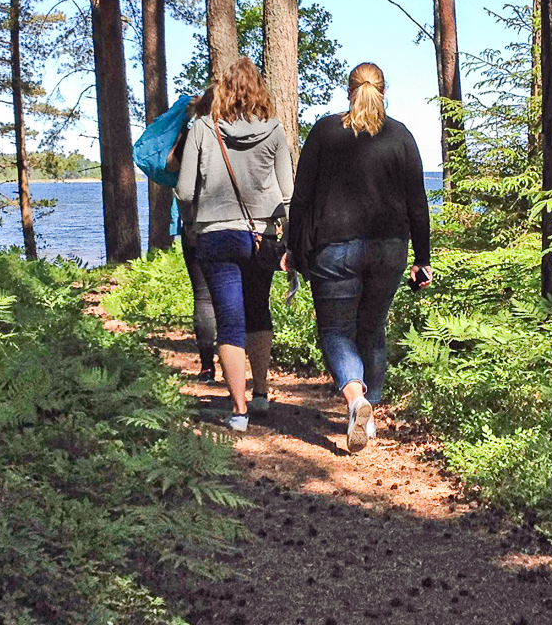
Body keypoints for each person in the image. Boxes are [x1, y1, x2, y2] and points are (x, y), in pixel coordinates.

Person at [285, 62, 431, 452]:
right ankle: (371, 418)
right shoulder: (401, 136)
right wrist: (423, 258)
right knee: (373, 328)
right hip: (390, 249)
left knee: (335, 331)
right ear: (385, 89)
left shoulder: (325, 132)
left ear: (348, 90)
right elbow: (418, 203)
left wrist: (293, 249)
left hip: (334, 248)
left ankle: (355, 400)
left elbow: (302, 197)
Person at [175, 57, 293, 432]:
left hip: (215, 236)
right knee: (259, 311)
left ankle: (238, 410)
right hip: (261, 236)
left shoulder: (201, 129)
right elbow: (288, 195)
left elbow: (182, 189)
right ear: (259, 90)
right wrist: (288, 240)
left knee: (229, 319)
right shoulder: (274, 131)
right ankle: (261, 393)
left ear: (223, 90)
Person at [176, 90, 219, 382]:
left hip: (197, 226)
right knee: (236, 296)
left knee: (204, 297)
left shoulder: (189, 137)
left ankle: (207, 366)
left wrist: (183, 112)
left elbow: (182, 188)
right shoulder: (241, 135)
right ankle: (240, 368)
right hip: (237, 227)